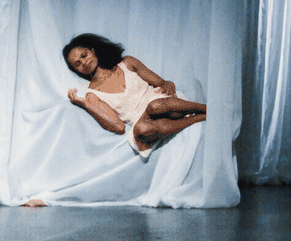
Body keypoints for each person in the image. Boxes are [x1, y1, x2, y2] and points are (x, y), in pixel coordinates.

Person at [62, 33, 208, 159]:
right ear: (76, 70)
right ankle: (199, 117)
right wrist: (85, 104)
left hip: (165, 105)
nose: (84, 62)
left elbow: (161, 83)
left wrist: (169, 85)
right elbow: (118, 127)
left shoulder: (127, 63)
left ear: (93, 51)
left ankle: (206, 108)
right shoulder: (92, 96)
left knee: (154, 106)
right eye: (78, 63)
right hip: (149, 123)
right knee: (142, 130)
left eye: (84, 55)